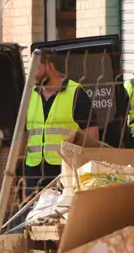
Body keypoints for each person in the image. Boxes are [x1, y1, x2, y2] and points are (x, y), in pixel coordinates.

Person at [24, 54, 95, 192]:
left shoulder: (76, 93)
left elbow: (91, 137)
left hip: (64, 173)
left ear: (50, 67)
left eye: (36, 68)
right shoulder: (29, 94)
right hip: (33, 173)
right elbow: (23, 134)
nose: (32, 74)